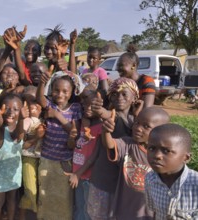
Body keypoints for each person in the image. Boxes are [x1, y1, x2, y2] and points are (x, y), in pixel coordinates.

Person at [102, 106, 170, 219]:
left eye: (146, 126)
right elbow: (109, 144)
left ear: (161, 131)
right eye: (136, 122)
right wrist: (106, 132)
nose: (138, 128)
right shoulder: (128, 144)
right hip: (123, 210)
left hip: (147, 214)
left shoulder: (163, 157)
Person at [87, 77, 141, 220]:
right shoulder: (112, 116)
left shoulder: (135, 120)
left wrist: (137, 114)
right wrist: (98, 109)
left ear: (134, 97)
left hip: (120, 183)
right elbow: (104, 113)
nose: (119, 98)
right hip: (104, 180)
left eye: (124, 94)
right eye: (115, 94)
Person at [36, 70, 83, 220]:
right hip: (47, 159)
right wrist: (42, 83)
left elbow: (74, 131)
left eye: (65, 91)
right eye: (56, 90)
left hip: (65, 161)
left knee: (63, 199)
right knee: (46, 195)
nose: (60, 94)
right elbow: (40, 99)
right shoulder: (49, 104)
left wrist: (57, 115)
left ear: (72, 92)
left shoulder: (76, 108)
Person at [145, 124, 198, 219]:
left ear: (186, 158)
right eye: (152, 148)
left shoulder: (195, 184)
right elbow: (154, 212)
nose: (157, 155)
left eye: (166, 151)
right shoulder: (150, 179)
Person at [0, 94, 28, 220]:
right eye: (6, 108)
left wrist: (22, 120)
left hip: (14, 174)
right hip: (0, 175)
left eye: (16, 109)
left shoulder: (20, 127)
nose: (10, 112)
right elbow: (2, 137)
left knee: (12, 200)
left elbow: (18, 136)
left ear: (22, 110)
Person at [66, 87, 101, 220]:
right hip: (78, 175)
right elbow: (74, 146)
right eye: (85, 105)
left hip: (87, 176)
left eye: (92, 106)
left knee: (88, 210)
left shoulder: (100, 128)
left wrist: (77, 174)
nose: (88, 108)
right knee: (79, 207)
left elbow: (95, 155)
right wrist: (72, 137)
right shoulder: (82, 124)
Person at [19, 97, 45, 220]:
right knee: (30, 189)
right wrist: (37, 137)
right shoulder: (27, 121)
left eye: (37, 107)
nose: (34, 109)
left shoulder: (43, 121)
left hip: (41, 160)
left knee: (39, 191)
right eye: (31, 107)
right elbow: (21, 144)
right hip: (28, 158)